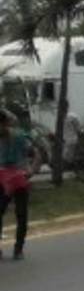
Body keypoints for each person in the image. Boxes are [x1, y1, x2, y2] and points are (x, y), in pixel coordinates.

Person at [0, 111, 39, 261]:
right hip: (2, 178)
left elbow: (36, 153)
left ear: (5, 124)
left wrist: (32, 170)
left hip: (18, 178)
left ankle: (18, 248)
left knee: (21, 214)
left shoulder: (19, 137)